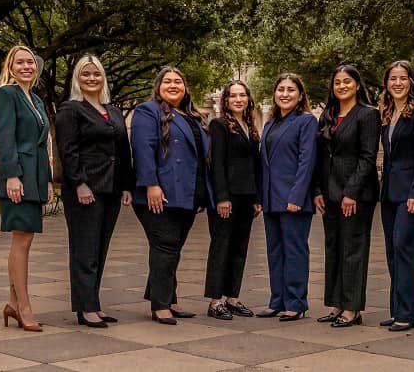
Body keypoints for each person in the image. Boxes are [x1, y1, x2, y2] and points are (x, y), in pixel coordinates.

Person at [54, 55, 134, 329]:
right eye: (85, 74)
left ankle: (93, 303)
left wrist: (126, 185)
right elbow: (68, 150)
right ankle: (85, 307)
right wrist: (80, 183)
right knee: (84, 249)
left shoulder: (112, 111)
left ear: (103, 78)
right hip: (85, 189)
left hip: (111, 188)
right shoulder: (70, 109)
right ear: (77, 78)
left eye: (96, 74)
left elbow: (123, 151)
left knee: (100, 248)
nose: (91, 79)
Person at [130, 66, 211, 325]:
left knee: (172, 248)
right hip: (160, 193)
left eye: (178, 81)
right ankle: (161, 305)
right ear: (158, 86)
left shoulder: (192, 117)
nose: (173, 85)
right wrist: (151, 184)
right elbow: (144, 148)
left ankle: (168, 298)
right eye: (167, 81)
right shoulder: (147, 111)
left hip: (187, 194)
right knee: (164, 247)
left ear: (185, 87)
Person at [0, 45, 55, 333]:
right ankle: (24, 306)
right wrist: (11, 176)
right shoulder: (6, 95)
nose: (27, 66)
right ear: (10, 66)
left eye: (31, 62)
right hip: (18, 176)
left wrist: (49, 179)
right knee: (22, 240)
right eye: (20, 62)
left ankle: (13, 303)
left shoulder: (37, 100)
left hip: (36, 176)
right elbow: (5, 139)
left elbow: (42, 144)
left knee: (26, 240)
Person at [313, 64, 379, 329]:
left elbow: (368, 157)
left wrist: (351, 192)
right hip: (329, 192)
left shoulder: (368, 115)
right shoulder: (327, 115)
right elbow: (320, 157)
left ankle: (352, 308)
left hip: (356, 194)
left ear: (357, 85)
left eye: (347, 81)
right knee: (333, 248)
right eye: (337, 82)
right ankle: (336, 304)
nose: (342, 86)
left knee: (353, 250)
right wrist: (317, 191)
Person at [379, 60, 414, 331]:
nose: (397, 83)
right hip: (390, 193)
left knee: (405, 247)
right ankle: (397, 309)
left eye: (403, 78)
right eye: (393, 79)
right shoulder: (387, 112)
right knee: (392, 251)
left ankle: (408, 313)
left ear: (412, 82)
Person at [256, 72, 316, 321]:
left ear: (300, 95)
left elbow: (307, 161)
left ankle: (296, 302)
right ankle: (277, 300)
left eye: (291, 90)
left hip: (294, 200)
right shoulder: (270, 123)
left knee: (294, 251)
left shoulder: (306, 121)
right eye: (281, 89)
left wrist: (297, 196)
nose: (285, 94)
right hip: (272, 198)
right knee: (275, 251)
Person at [204, 80, 263, 319]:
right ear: (226, 101)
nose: (238, 100)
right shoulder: (218, 125)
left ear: (248, 99)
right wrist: (221, 197)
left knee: (240, 248)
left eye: (242, 95)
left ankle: (232, 298)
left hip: (247, 198)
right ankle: (215, 301)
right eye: (233, 96)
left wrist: (257, 198)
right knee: (221, 247)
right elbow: (216, 163)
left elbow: (254, 165)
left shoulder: (250, 126)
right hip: (227, 198)